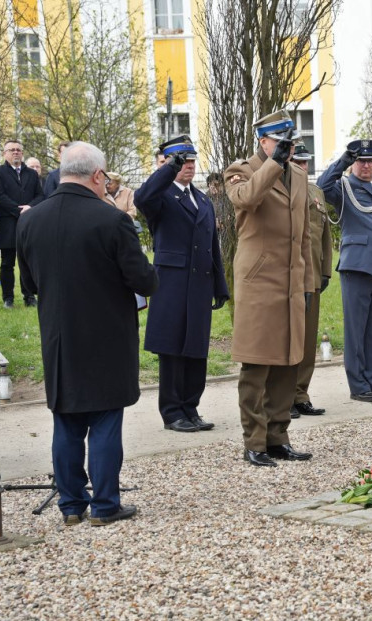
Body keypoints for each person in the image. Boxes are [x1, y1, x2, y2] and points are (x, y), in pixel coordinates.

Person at [17, 142, 159, 526]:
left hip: (59, 338)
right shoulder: (112, 220)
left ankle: (71, 506)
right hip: (107, 335)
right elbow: (143, 281)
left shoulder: (30, 220)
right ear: (97, 176)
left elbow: (29, 283)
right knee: (105, 421)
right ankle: (106, 505)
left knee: (66, 421)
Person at [224, 110, 314, 467]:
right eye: (280, 143)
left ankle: (279, 437)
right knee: (258, 365)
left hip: (292, 283)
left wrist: (307, 281)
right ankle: (255, 441)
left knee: (287, 364)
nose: (286, 149)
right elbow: (246, 199)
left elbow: (304, 233)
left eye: (289, 144)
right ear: (263, 141)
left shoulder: (298, 176)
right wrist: (273, 164)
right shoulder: (241, 170)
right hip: (259, 282)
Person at [134, 135, 229, 433]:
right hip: (172, 284)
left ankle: (191, 407)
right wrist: (167, 168)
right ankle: (173, 412)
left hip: (200, 284)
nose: (188, 166)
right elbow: (141, 197)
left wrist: (220, 285)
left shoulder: (201, 199)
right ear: (169, 162)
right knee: (173, 349)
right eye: (182, 161)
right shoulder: (160, 196)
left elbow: (212, 244)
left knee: (196, 349)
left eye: (191, 160)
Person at [317, 139, 372, 402]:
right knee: (357, 329)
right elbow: (321, 187)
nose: (366, 166)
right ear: (354, 163)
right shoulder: (343, 187)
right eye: (361, 161)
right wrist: (343, 161)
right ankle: (358, 384)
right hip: (357, 265)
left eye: (370, 161)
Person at [290, 142, 332, 418]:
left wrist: (326, 270)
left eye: (306, 162)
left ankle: (300, 394)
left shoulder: (316, 191)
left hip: (313, 276)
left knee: (307, 341)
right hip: (290, 278)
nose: (303, 167)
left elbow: (325, 235)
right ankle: (283, 398)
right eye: (298, 162)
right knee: (289, 340)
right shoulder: (283, 189)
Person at [0, 139, 43, 307]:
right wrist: (18, 210)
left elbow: (40, 195)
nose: (16, 152)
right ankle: (8, 298)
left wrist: (30, 207)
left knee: (28, 261)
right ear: (5, 154)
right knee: (7, 263)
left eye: (18, 149)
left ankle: (29, 297)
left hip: (29, 223)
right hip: (8, 224)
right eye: (11, 150)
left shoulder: (32, 174)